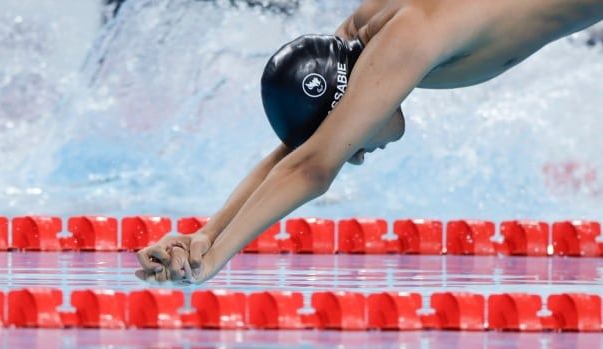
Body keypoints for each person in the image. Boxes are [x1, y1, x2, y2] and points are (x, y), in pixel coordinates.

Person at [135, 0, 603, 284]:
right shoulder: (359, 38)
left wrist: (213, 260)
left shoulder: (403, 40)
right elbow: (305, 152)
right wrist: (203, 234)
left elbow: (312, 167)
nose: (355, 153)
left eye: (345, 134)